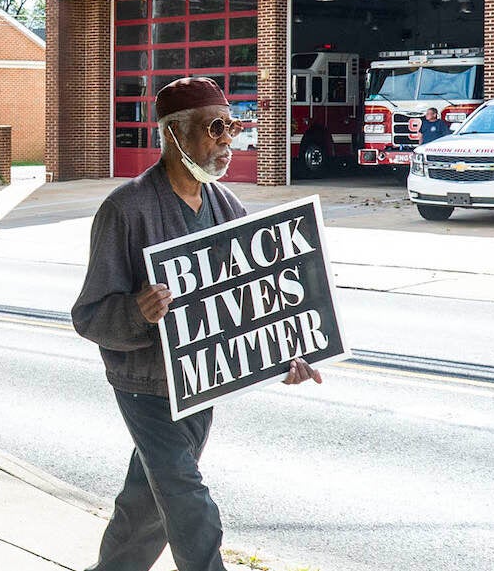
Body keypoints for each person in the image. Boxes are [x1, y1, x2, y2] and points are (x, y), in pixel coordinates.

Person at [72, 77, 322, 571]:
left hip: (201, 382)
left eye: (232, 126)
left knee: (147, 502)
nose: (228, 139)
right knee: (188, 500)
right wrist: (137, 312)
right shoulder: (125, 209)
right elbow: (88, 315)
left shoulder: (228, 208)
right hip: (144, 385)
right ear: (173, 134)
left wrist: (284, 351)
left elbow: (251, 304)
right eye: (215, 128)